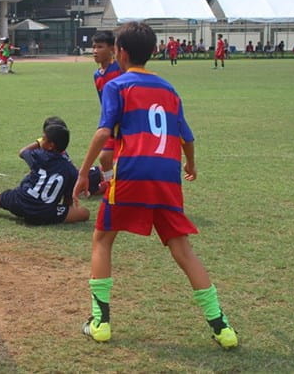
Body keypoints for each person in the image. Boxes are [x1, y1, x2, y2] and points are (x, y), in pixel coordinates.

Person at [73, 21, 238, 349]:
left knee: (102, 240)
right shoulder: (169, 89)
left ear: (120, 52)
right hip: (167, 177)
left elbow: (105, 132)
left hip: (133, 173)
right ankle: (222, 327)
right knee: (182, 249)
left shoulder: (117, 85)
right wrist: (190, 164)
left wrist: (82, 173)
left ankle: (100, 322)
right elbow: (186, 137)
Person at [0, 122, 90, 225]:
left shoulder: (39, 155)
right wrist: (65, 211)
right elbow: (67, 200)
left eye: (44, 138)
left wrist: (37, 142)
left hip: (20, 202)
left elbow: (23, 151)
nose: (42, 140)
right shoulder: (71, 169)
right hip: (45, 213)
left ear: (50, 145)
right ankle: (51, 213)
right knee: (85, 213)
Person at [91, 31, 121, 193]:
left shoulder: (120, 70)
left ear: (111, 49)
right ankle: (111, 185)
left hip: (124, 122)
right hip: (109, 122)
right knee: (104, 157)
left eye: (100, 47)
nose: (95, 50)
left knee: (123, 159)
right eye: (94, 47)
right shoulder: (97, 75)